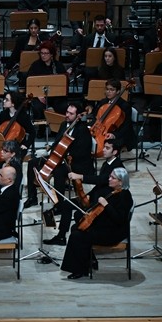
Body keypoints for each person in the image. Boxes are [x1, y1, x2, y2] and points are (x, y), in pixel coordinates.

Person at [59, 167, 133, 280]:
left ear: (121, 182)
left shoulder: (125, 197)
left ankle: (80, 270)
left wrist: (106, 205)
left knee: (77, 235)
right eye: (110, 176)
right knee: (76, 227)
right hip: (105, 226)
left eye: (113, 177)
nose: (109, 179)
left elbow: (119, 219)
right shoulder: (112, 190)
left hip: (113, 232)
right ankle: (87, 262)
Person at [44, 102, 95, 245]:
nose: (67, 115)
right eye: (67, 112)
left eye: (71, 113)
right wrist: (53, 152)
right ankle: (50, 201)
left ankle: (60, 206)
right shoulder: (63, 125)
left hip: (77, 163)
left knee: (59, 174)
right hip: (63, 158)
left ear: (78, 115)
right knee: (40, 166)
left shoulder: (83, 129)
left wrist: (66, 155)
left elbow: (83, 151)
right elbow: (57, 142)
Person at [87, 78, 136, 153]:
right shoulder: (103, 102)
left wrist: (113, 135)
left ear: (118, 91)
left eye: (112, 90)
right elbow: (96, 118)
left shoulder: (124, 106)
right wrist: (91, 127)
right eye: (107, 89)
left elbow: (126, 126)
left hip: (119, 134)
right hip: (100, 130)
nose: (108, 92)